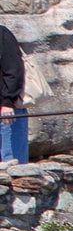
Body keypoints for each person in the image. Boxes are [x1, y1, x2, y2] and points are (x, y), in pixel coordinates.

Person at [0, 22, 25, 166]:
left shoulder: (2, 34)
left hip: (5, 111)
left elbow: (14, 70)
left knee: (13, 166)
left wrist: (7, 101)